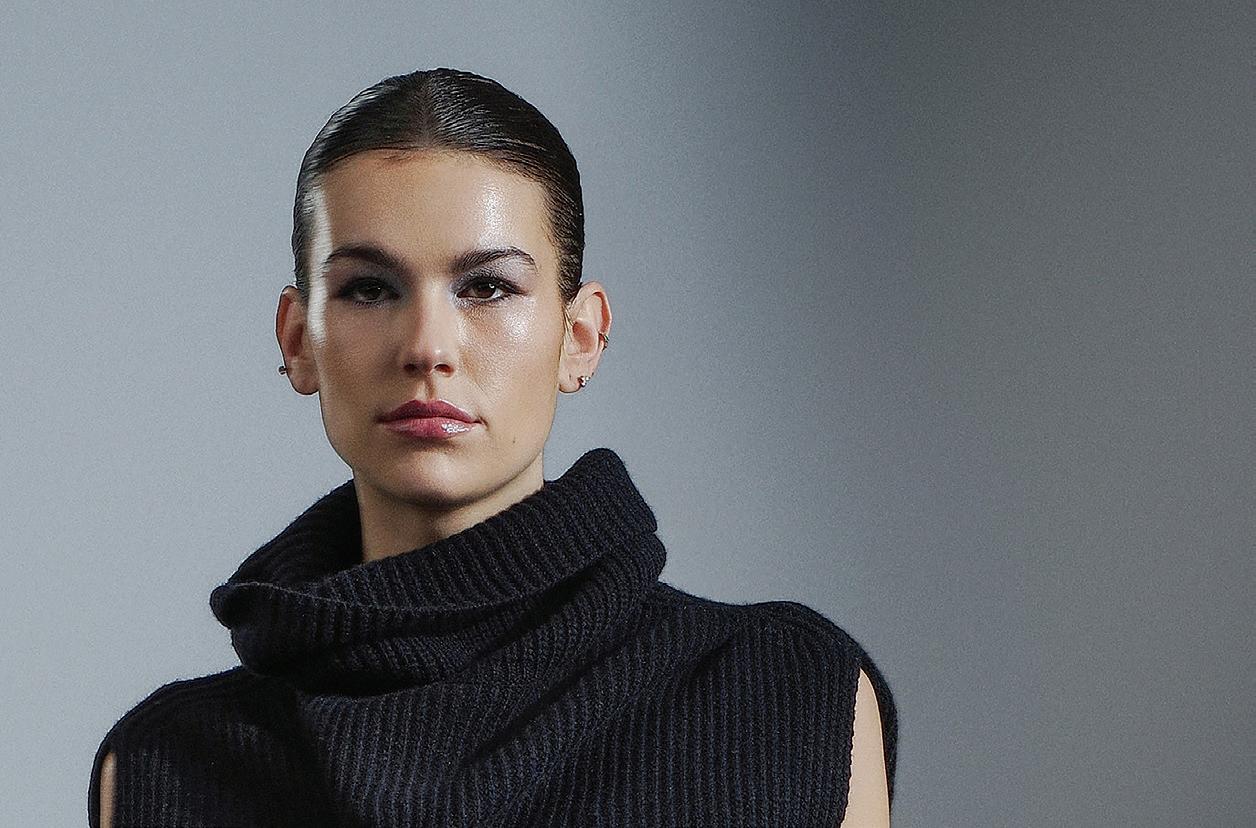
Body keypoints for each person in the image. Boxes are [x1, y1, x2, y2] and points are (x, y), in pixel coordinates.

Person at [89, 67, 897, 827]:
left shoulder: (788, 694)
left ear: (580, 337)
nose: (426, 347)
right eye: (369, 289)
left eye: (487, 287)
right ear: (299, 341)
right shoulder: (168, 765)